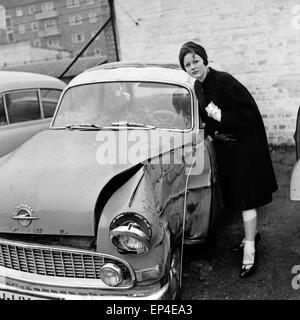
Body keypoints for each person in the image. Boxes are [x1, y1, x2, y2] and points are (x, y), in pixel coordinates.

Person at [178, 41, 278, 279]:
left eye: (196, 61)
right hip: (227, 147)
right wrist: (213, 130)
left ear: (204, 59)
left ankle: (250, 250)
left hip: (245, 146)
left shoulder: (224, 81)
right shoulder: (197, 86)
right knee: (235, 195)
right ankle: (249, 236)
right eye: (187, 64)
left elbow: (250, 114)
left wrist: (220, 115)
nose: (193, 67)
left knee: (246, 198)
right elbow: (205, 116)